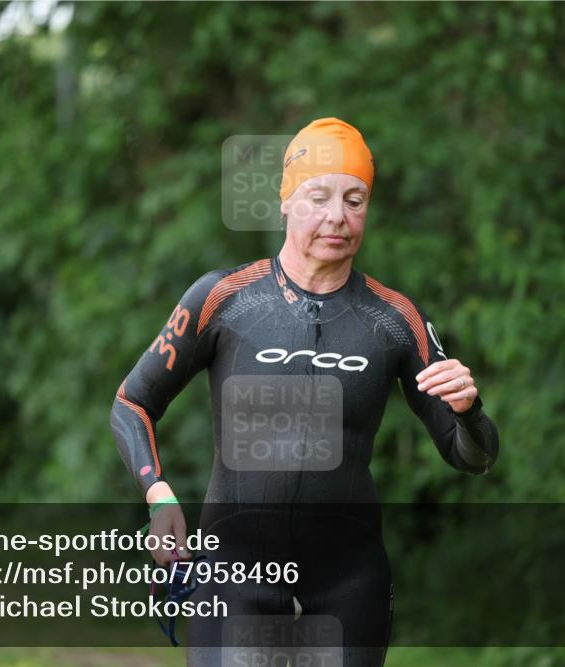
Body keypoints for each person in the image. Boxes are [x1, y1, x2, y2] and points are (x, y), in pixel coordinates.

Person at [111, 117, 500, 666]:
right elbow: (132, 402)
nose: (337, 215)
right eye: (319, 197)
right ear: (286, 201)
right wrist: (159, 496)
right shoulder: (223, 299)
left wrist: (467, 411)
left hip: (348, 581)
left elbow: (475, 456)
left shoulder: (394, 320)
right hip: (233, 573)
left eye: (355, 200)